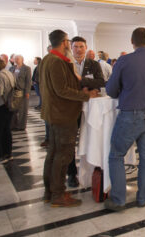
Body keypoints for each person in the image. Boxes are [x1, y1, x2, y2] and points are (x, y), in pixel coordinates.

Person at [104, 27, 145, 211]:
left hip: (131, 114)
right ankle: (143, 197)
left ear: (132, 42)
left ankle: (118, 199)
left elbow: (110, 90)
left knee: (116, 154)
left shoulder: (124, 60)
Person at [40, 30, 97, 207]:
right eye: (69, 42)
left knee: (54, 153)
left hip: (55, 113)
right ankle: (58, 193)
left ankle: (49, 191)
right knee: (62, 156)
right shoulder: (56, 61)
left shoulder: (47, 59)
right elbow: (61, 90)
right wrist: (86, 96)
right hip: (62, 114)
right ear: (65, 42)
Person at [67, 36, 105, 188]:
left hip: (90, 108)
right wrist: (84, 88)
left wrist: (80, 81)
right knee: (70, 142)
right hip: (72, 107)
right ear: (71, 48)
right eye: (75, 46)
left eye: (81, 46)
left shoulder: (93, 64)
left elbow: (101, 82)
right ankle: (71, 174)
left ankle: (92, 167)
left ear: (86, 47)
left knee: (91, 137)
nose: (78, 49)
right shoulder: (66, 64)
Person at [10, 55, 32, 131]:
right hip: (13, 91)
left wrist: (27, 92)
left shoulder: (26, 68)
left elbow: (28, 81)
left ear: (22, 60)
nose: (16, 60)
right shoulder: (11, 68)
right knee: (13, 109)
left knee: (22, 109)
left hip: (22, 90)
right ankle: (13, 125)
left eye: (18, 59)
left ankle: (21, 126)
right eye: (15, 59)